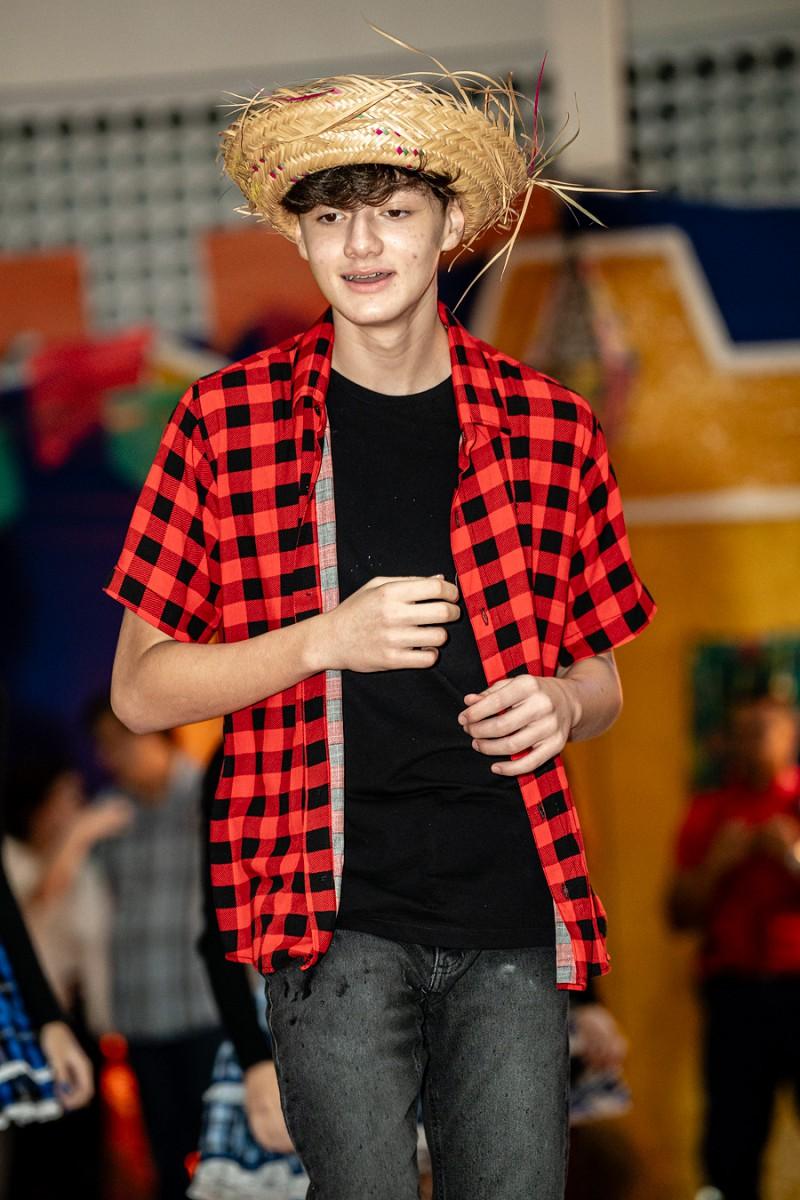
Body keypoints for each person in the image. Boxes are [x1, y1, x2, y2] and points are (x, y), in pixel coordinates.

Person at [104, 61, 655, 1200]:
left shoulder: (551, 426)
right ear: (300, 238)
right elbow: (141, 691)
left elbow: (602, 677)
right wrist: (323, 639)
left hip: (511, 905)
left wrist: (563, 701)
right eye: (329, 217)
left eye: (393, 212)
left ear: (448, 225)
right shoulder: (225, 421)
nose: (360, 245)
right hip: (327, 913)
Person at [85, 698, 223, 1200]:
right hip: (140, 1012)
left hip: (207, 1008)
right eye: (102, 746)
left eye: (120, 740)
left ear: (156, 730)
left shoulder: (210, 793)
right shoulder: (107, 815)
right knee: (166, 1165)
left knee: (224, 1163)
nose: (110, 756)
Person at [667, 693, 800, 1200]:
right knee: (731, 1144)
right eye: (742, 731)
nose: (752, 741)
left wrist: (791, 857)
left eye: (763, 729)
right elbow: (678, 914)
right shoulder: (711, 811)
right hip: (735, 997)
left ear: (790, 735)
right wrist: (717, 866)